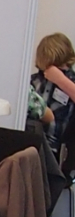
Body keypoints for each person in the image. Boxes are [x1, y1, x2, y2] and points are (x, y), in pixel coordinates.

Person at [32, 32, 75, 161]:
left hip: (59, 149)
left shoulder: (71, 81)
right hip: (34, 143)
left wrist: (60, 80)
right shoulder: (33, 81)